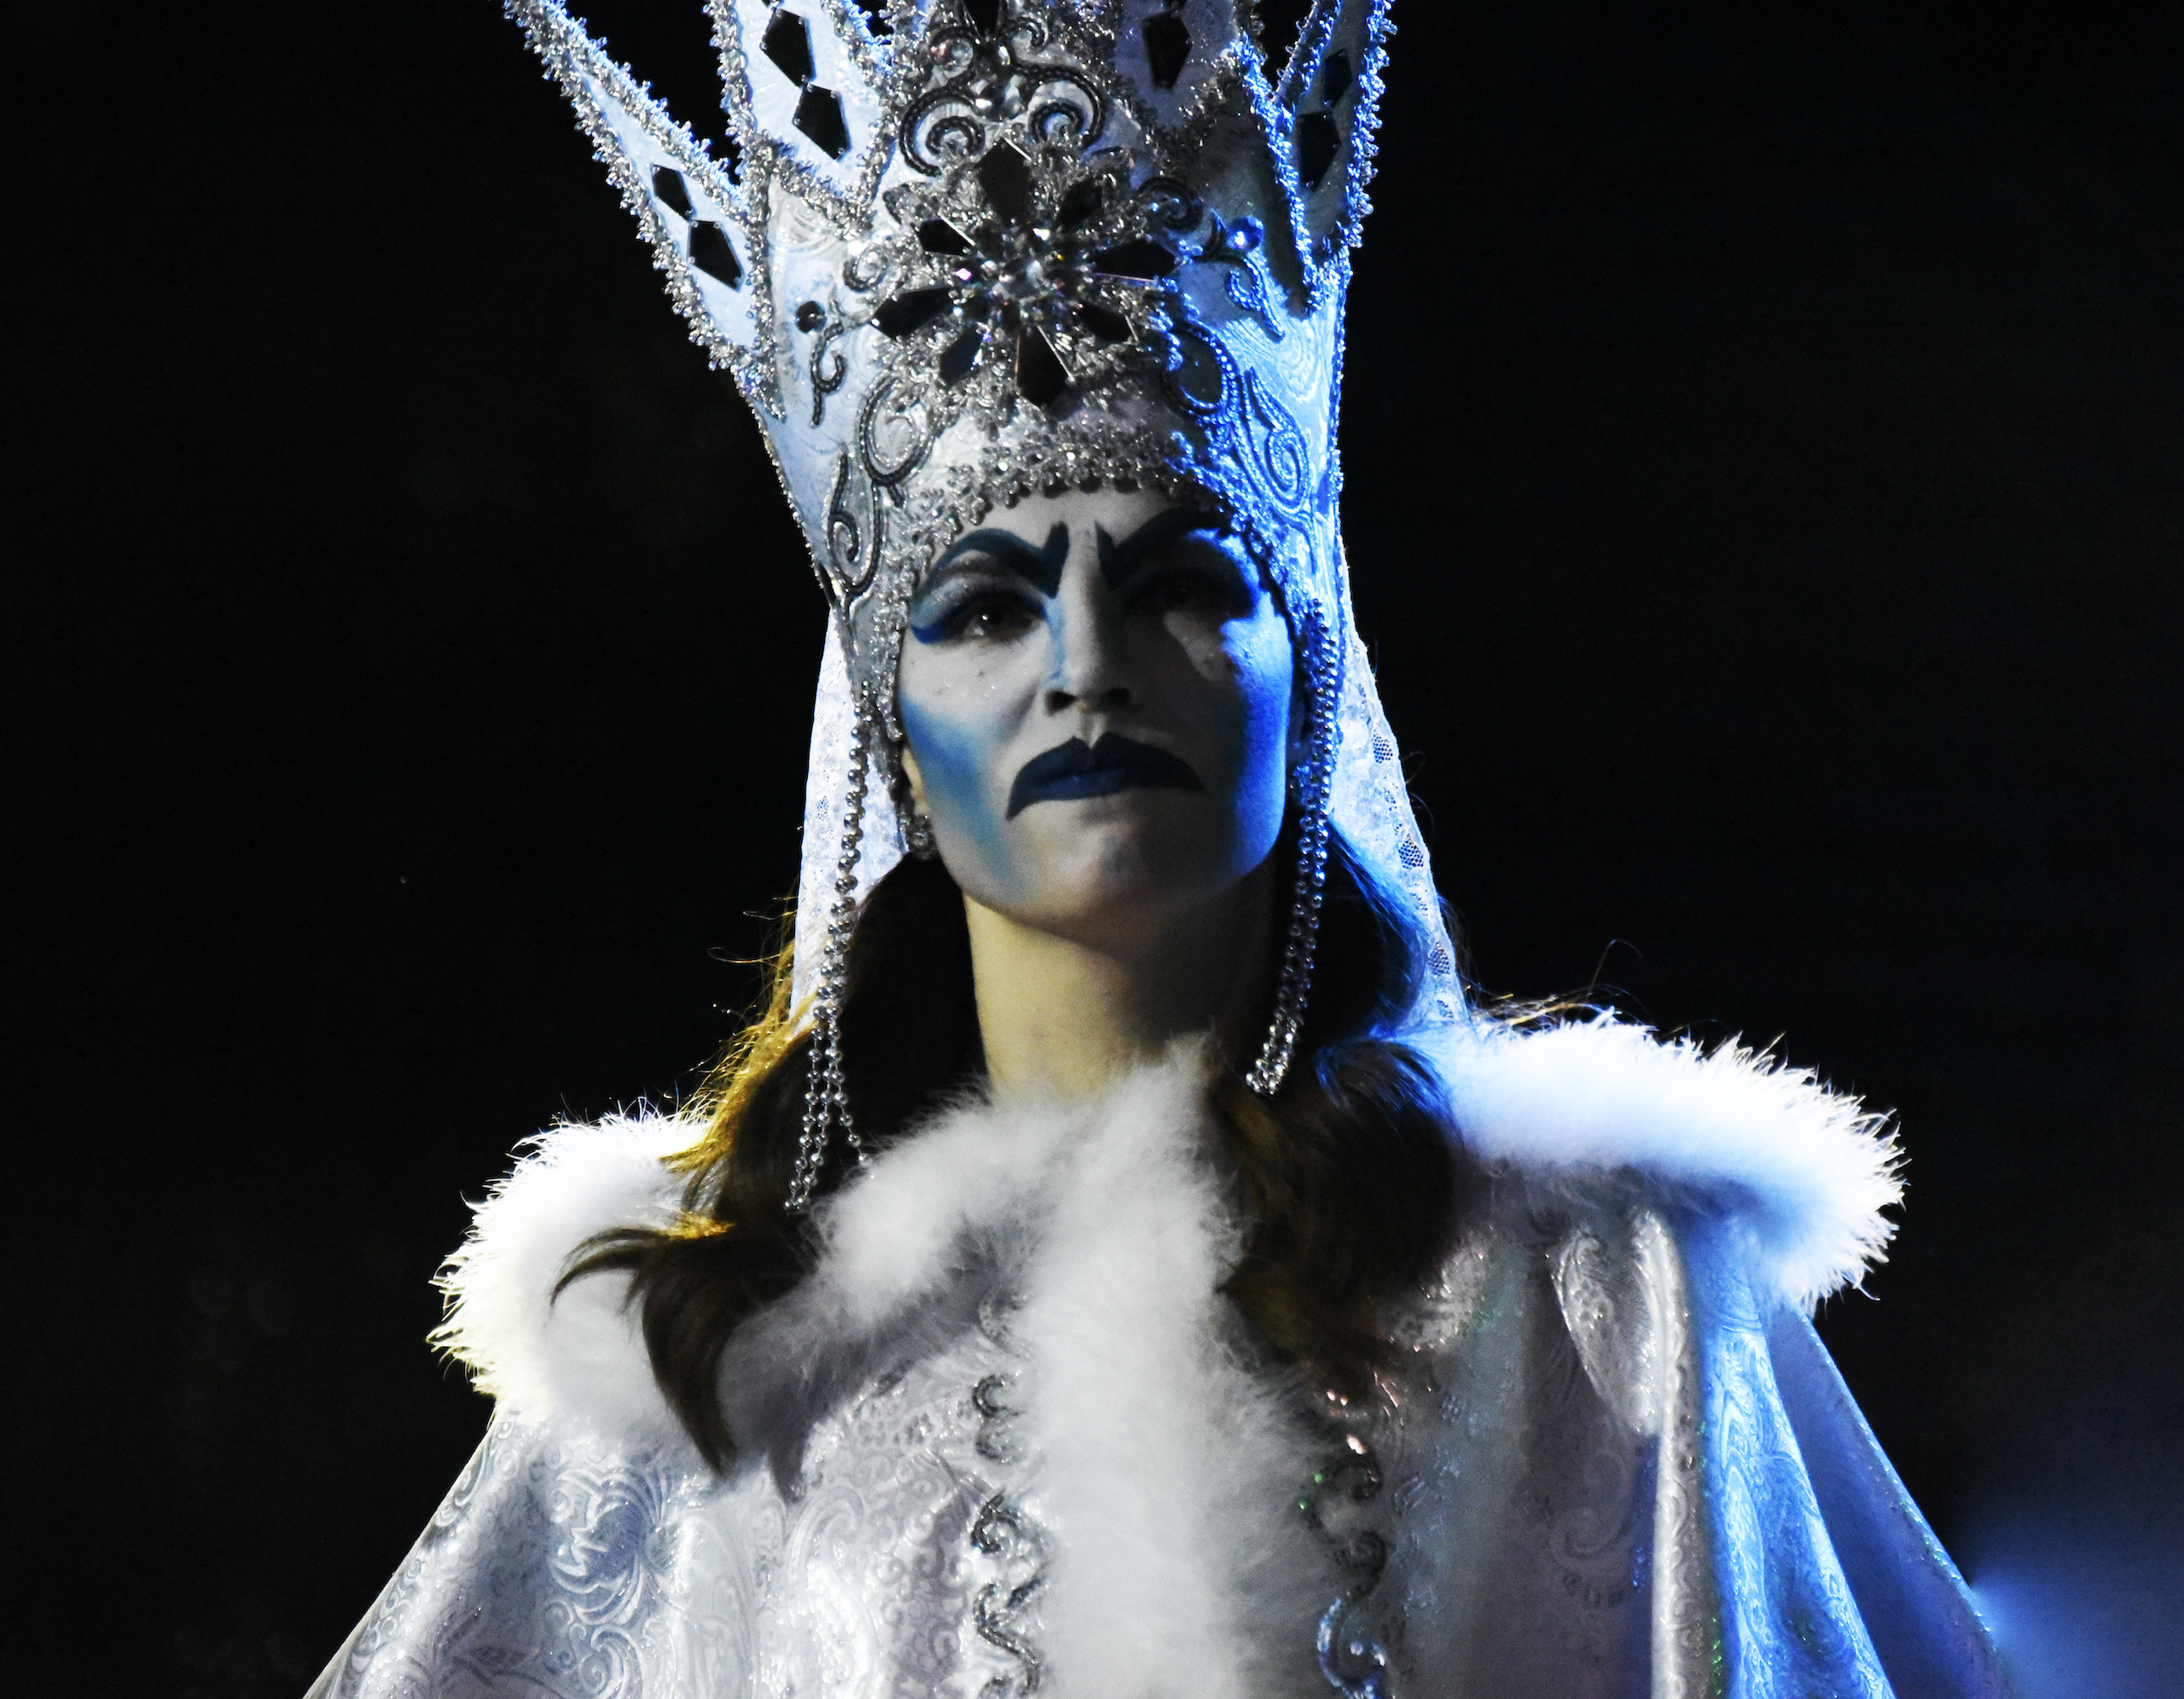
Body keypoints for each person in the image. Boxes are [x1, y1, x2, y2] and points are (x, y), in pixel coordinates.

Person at [310, 2, 2011, 1694]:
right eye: (986, 610)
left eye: (1177, 586)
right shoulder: (720, 1357)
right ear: (895, 741)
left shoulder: (1588, 1299)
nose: (1086, 665)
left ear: (1306, 680)